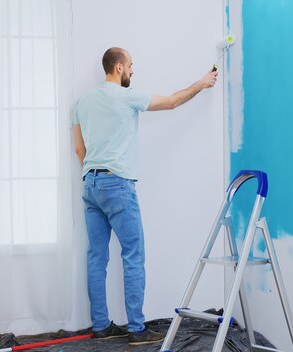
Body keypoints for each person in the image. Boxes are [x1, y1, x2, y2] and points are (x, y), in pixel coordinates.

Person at [72, 47, 217, 346]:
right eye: (131, 66)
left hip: (90, 185)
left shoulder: (81, 102)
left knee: (96, 257)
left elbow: (79, 150)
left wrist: (93, 176)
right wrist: (201, 84)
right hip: (118, 185)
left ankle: (100, 326)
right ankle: (137, 330)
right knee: (133, 256)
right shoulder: (128, 96)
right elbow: (173, 102)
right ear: (119, 67)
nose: (133, 71)